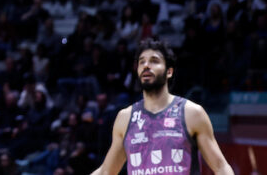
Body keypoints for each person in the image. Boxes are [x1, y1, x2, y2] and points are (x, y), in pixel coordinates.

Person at [89, 38, 233, 175]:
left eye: (154, 61)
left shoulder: (191, 113)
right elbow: (106, 171)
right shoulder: (125, 117)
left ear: (169, 72)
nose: (146, 65)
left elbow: (221, 167)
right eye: (141, 62)